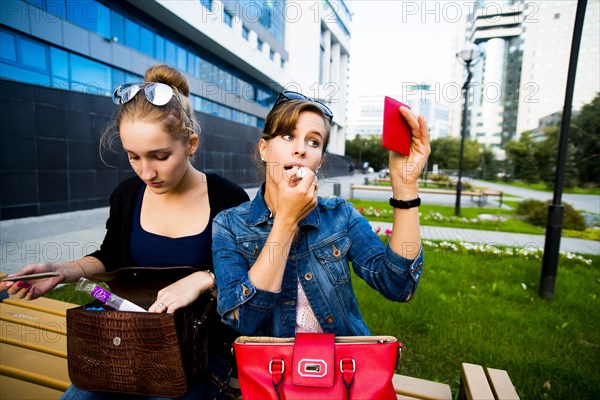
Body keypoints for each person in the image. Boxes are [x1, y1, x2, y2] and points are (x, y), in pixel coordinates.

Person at [0, 64, 249, 399]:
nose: (147, 172)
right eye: (134, 157)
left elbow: (251, 283)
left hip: (198, 353)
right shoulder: (127, 195)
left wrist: (208, 277)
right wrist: (60, 272)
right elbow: (109, 256)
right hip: (126, 344)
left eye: (160, 156)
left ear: (191, 144)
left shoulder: (227, 198)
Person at [212, 90, 431, 337]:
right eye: (287, 136)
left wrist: (405, 185)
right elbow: (243, 320)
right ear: (264, 149)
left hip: (342, 369)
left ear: (320, 161)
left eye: (313, 142)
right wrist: (287, 220)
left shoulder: (340, 216)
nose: (300, 150)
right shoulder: (230, 224)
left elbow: (398, 285)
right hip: (271, 372)